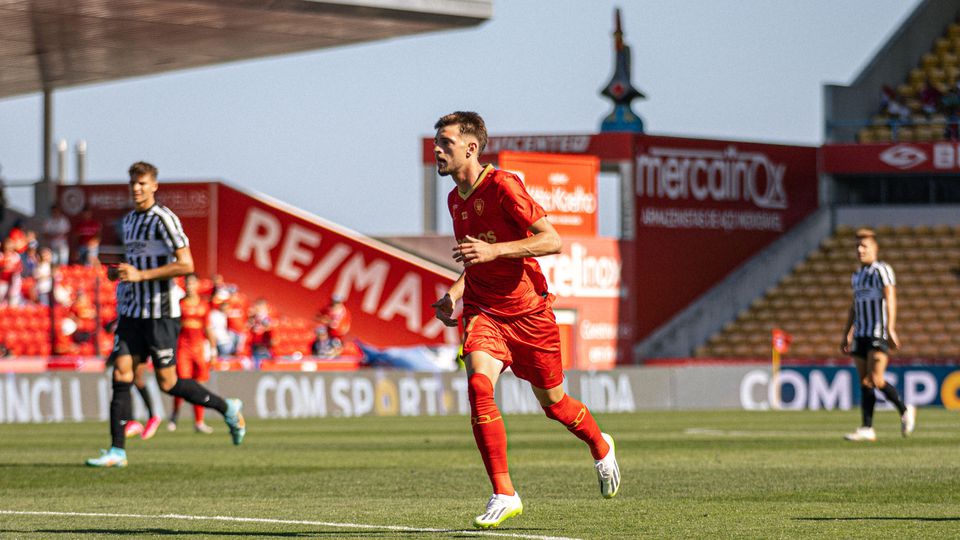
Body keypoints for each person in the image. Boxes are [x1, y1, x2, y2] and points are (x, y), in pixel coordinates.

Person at [430, 112, 619, 529]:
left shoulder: (503, 186)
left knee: (555, 406)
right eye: (436, 142)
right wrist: (453, 296)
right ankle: (505, 492)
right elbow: (478, 261)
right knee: (479, 384)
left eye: (445, 142)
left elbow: (552, 240)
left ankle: (600, 445)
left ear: (471, 147)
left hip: (530, 315)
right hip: (484, 311)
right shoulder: (454, 199)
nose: (437, 150)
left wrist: (496, 252)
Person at [85, 161, 245, 468]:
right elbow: (134, 264)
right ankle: (117, 451)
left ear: (154, 186)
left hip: (161, 314)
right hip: (132, 312)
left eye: (143, 183)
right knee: (121, 372)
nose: (137, 188)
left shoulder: (164, 219)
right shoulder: (129, 221)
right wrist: (119, 274)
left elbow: (186, 264)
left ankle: (226, 407)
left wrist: (142, 276)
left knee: (168, 383)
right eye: (133, 183)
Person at [841, 228, 916, 442]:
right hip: (861, 334)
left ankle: (904, 410)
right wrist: (847, 333)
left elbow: (890, 298)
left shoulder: (882, 270)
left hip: (878, 332)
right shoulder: (856, 276)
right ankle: (867, 428)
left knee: (875, 378)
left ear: (875, 248)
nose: (859, 249)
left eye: (864, 245)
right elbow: (854, 307)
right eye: (857, 246)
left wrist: (891, 328)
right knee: (865, 382)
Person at [168, 273, 217, 433]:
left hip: (199, 349)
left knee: (199, 385)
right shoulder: (179, 304)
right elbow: (173, 328)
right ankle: (175, 415)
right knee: (182, 383)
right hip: (183, 348)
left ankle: (199, 422)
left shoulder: (204, 305)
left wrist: (213, 349)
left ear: (197, 285)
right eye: (187, 284)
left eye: (192, 283)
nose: (190, 286)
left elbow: (208, 328)